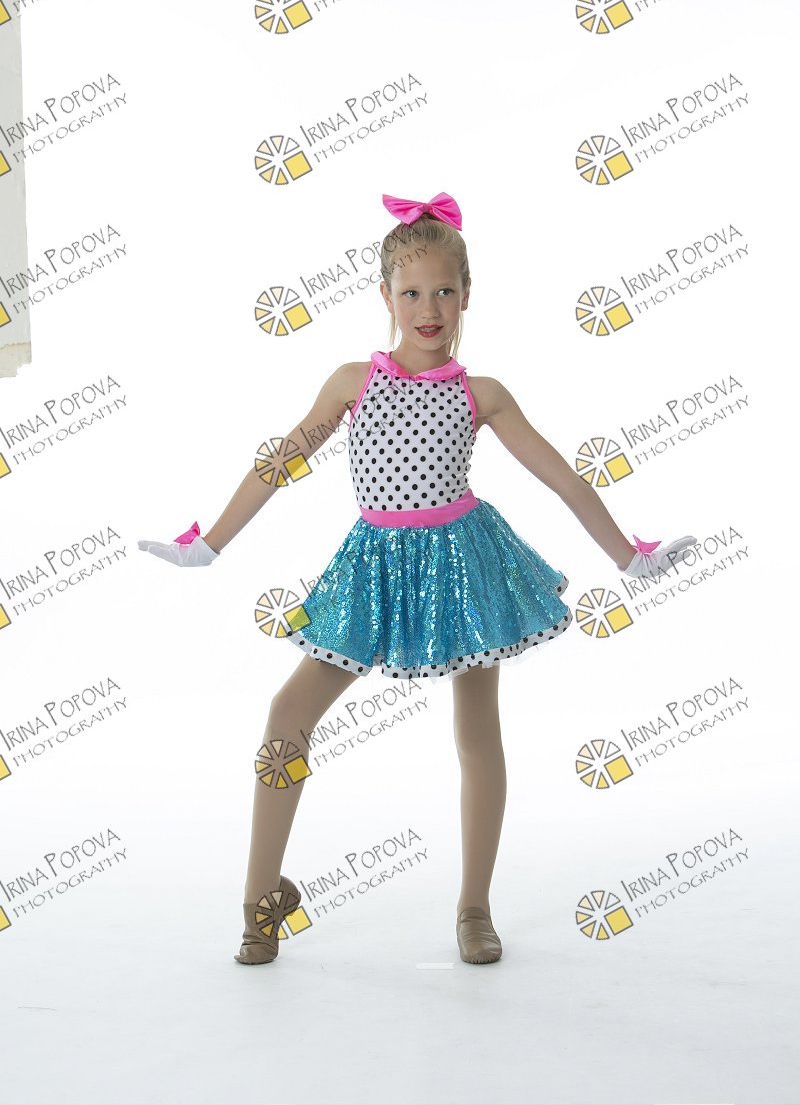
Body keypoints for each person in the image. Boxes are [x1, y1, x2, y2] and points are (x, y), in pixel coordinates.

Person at [138, 190, 696, 967]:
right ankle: (260, 900)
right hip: (373, 568)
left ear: (467, 295)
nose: (428, 308)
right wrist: (210, 544)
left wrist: (630, 558)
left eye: (443, 291)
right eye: (411, 293)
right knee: (287, 715)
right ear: (385, 296)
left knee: (477, 731)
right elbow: (280, 462)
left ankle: (474, 906)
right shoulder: (351, 382)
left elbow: (563, 478)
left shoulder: (481, 394)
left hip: (465, 565)